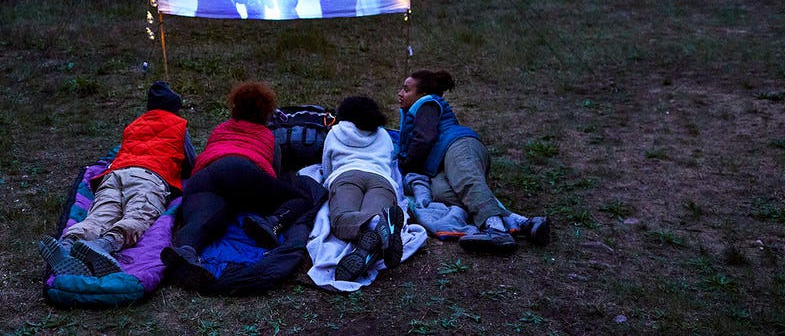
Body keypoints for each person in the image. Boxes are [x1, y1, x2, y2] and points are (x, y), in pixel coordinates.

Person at [162, 81, 316, 288]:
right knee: (301, 197)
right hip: (244, 171)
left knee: (202, 220)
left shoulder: (220, 129)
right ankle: (272, 223)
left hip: (206, 176)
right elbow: (274, 175)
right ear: (266, 112)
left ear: (235, 107)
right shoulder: (267, 137)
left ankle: (186, 251)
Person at [37, 81, 196, 277]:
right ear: (175, 109)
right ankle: (104, 245)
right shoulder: (179, 126)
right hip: (148, 176)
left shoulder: (134, 125)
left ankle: (68, 244)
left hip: (114, 175)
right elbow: (190, 162)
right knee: (138, 214)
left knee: (100, 215)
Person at [396, 69, 550, 255]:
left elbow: (424, 139)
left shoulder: (427, 103)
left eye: (406, 89)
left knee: (467, 182)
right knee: (443, 193)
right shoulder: (417, 110)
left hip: (458, 145)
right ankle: (525, 223)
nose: (400, 93)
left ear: (421, 94)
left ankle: (497, 232)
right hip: (442, 160)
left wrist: (404, 165)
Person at [321, 96, 404, 282]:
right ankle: (380, 225)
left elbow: (326, 169)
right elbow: (390, 163)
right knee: (376, 213)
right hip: (381, 180)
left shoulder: (335, 132)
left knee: (343, 219)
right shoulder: (383, 135)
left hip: (346, 176)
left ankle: (372, 225)